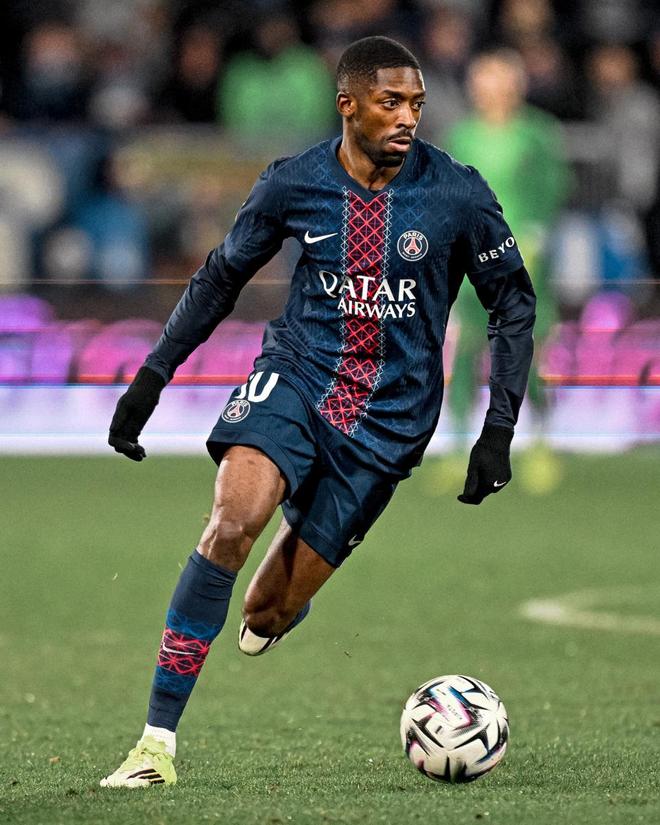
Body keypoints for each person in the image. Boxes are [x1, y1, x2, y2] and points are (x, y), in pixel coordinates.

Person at [101, 36, 536, 788]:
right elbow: (221, 278)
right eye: (390, 102)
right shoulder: (293, 182)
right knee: (232, 519)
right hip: (298, 379)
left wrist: (498, 429)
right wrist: (152, 376)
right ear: (348, 105)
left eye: (416, 104)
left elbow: (514, 304)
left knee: (264, 614)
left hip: (390, 424)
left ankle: (278, 608)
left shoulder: (457, 194)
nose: (408, 118)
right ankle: (154, 745)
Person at [443, 50, 567, 477]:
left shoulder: (538, 134)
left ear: (516, 85)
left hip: (522, 260)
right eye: (482, 81)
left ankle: (541, 441)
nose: (490, 90)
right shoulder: (462, 136)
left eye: (498, 81)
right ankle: (458, 445)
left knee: (525, 349)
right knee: (466, 349)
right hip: (471, 260)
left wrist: (534, 237)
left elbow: (552, 190)